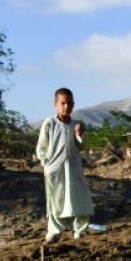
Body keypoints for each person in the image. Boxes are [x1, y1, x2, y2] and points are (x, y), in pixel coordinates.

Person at [36, 88, 94, 243]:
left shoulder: (76, 125)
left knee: (79, 197)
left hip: (74, 168)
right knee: (56, 200)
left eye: (69, 103)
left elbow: (82, 147)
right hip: (55, 169)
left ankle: (80, 230)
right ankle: (55, 232)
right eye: (63, 103)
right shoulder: (50, 123)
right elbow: (41, 147)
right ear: (56, 104)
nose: (66, 106)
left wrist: (81, 135)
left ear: (73, 104)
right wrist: (46, 164)